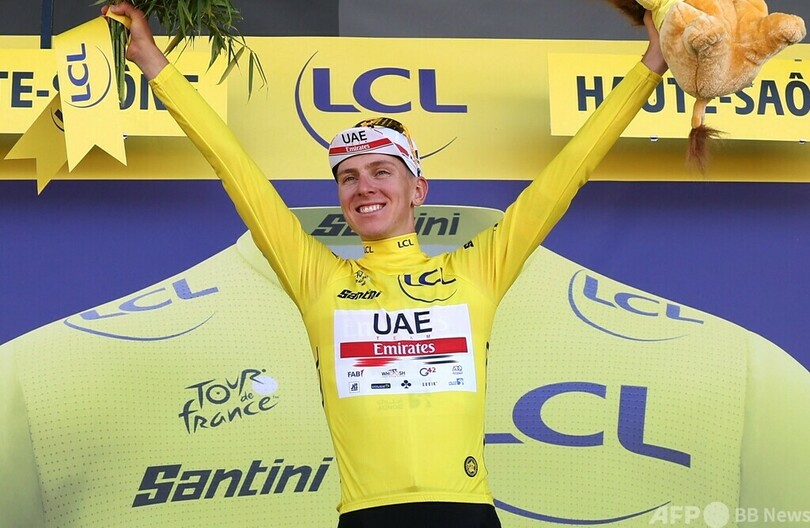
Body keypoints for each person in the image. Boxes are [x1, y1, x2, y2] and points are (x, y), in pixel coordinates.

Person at [105, 3, 667, 526]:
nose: (364, 187)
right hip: (367, 513)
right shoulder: (319, 278)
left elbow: (568, 172)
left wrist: (650, 67)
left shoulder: (475, 271)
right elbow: (236, 169)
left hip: (465, 511)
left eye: (381, 171)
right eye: (348, 177)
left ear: (418, 188)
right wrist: (154, 63)